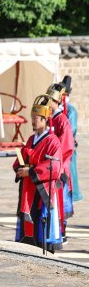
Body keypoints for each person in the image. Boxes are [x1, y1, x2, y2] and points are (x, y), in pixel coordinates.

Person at [13, 95, 64, 252]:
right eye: (33, 117)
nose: (34, 121)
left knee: (42, 227)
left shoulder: (52, 141)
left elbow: (54, 166)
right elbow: (20, 159)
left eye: (37, 118)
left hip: (44, 190)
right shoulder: (30, 139)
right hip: (29, 188)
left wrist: (32, 171)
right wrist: (21, 169)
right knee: (29, 227)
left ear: (45, 119)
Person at [45, 82, 75, 236]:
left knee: (60, 201)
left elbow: (66, 147)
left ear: (56, 102)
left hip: (59, 167)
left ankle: (61, 232)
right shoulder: (48, 119)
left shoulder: (62, 120)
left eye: (50, 100)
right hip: (49, 167)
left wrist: (58, 164)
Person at [63, 75, 82, 203]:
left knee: (71, 169)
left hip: (68, 143)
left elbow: (72, 129)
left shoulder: (71, 110)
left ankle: (74, 193)